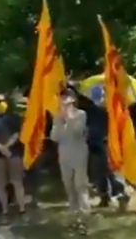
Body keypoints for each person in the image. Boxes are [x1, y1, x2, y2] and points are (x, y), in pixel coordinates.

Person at [50, 88, 90, 235]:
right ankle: (74, 218)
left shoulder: (81, 114)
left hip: (79, 154)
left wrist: (69, 117)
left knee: (81, 186)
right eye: (61, 97)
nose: (63, 100)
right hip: (64, 155)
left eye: (66, 97)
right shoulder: (57, 116)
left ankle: (84, 220)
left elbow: (78, 132)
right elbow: (54, 137)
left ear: (72, 99)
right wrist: (59, 121)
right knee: (69, 188)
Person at [0, 93, 26, 224]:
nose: (1, 103)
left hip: (13, 154)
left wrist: (7, 146)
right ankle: (5, 211)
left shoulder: (14, 117)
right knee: (0, 185)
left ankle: (22, 210)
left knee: (17, 182)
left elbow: (17, 134)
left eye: (3, 100)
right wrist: (1, 148)